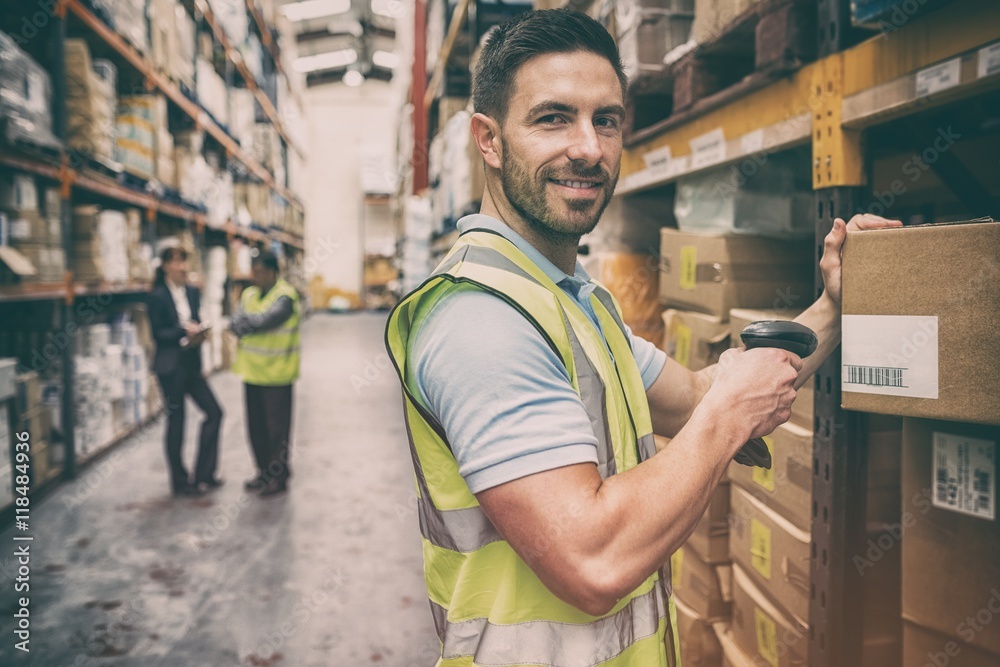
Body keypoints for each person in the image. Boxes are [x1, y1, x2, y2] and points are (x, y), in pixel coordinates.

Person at [384, 9, 902, 666]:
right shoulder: (479, 319)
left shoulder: (576, 304)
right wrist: (724, 419)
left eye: (606, 120)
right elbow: (591, 560)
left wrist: (833, 305)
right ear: (488, 140)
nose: (589, 148)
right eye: (553, 118)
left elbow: (702, 393)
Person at [148, 245, 224, 497]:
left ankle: (204, 474)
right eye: (177, 262)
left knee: (214, 412)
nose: (182, 267)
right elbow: (159, 334)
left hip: (191, 363)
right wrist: (184, 331)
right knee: (177, 422)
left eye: (184, 261)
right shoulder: (157, 296)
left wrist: (199, 332)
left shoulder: (192, 292)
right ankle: (180, 482)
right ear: (166, 266)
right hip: (170, 367)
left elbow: (195, 319)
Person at [230, 249, 301, 496]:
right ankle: (262, 472)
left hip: (277, 375)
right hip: (251, 373)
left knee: (276, 431)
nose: (255, 277)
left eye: (259, 272)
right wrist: (246, 322)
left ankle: (278, 477)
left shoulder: (286, 297)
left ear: (272, 272)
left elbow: (266, 321)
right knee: (256, 428)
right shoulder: (248, 294)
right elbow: (234, 322)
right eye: (253, 272)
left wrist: (246, 322)